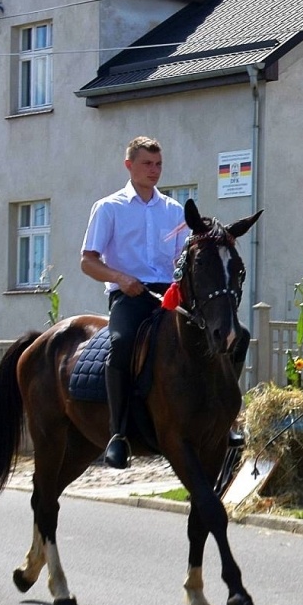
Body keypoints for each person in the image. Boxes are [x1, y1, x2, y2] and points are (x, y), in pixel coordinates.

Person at [80, 135, 188, 470]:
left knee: (219, 336)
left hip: (168, 294)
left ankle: (220, 422)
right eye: (147, 164)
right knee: (122, 343)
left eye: (158, 164)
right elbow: (88, 261)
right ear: (129, 165)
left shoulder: (175, 210)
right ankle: (118, 434)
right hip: (129, 293)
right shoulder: (109, 207)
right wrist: (121, 278)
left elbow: (183, 261)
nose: (154, 170)